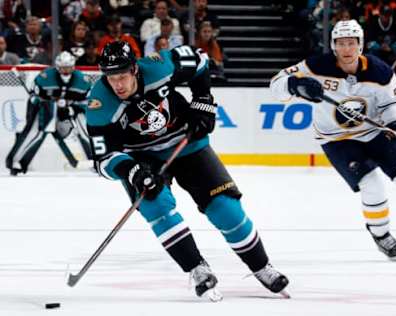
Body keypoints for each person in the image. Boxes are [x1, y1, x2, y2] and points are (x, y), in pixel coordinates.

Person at [86, 41, 289, 300]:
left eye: (122, 76)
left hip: (187, 142)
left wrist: (203, 100)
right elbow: (103, 160)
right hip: (141, 157)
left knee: (225, 208)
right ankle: (198, 269)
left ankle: (262, 267)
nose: (118, 85)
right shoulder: (98, 103)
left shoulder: (160, 67)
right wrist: (131, 170)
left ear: (135, 69)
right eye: (111, 77)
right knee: (156, 206)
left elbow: (201, 59)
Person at [270, 19, 396, 262]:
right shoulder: (316, 65)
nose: (346, 49)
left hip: (375, 133)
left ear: (360, 45)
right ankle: (381, 235)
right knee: (373, 184)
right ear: (333, 45)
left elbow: (392, 103)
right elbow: (276, 84)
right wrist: (294, 85)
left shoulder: (379, 72)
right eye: (341, 43)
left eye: (351, 43)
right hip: (337, 140)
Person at [5, 51, 92, 175]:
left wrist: (72, 106)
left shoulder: (82, 80)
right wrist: (42, 101)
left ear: (73, 66)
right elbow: (34, 96)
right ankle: (16, 161)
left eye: (68, 67)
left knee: (86, 128)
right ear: (57, 67)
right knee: (34, 132)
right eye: (63, 68)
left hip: (71, 110)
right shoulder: (45, 77)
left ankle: (95, 160)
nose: (66, 71)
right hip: (46, 109)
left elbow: (88, 101)